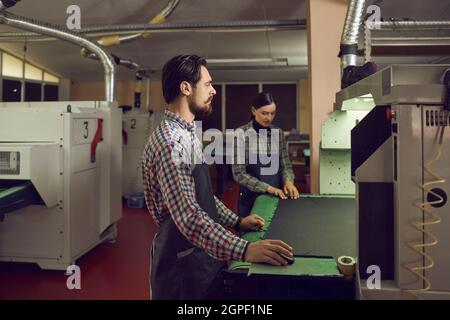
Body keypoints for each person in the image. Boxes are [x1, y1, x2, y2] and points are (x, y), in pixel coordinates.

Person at [142, 55, 293, 300]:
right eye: (208, 84)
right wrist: (244, 249)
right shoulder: (172, 143)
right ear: (185, 88)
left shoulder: (188, 134)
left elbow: (202, 196)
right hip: (182, 267)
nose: (213, 90)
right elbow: (189, 217)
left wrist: (237, 222)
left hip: (203, 255)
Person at [232, 92, 300, 217]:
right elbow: (239, 174)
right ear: (253, 110)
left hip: (277, 196)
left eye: (272, 113)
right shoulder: (241, 134)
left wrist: (289, 181)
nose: (268, 118)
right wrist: (268, 188)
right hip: (251, 199)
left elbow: (286, 166)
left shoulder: (278, 133)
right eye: (264, 113)